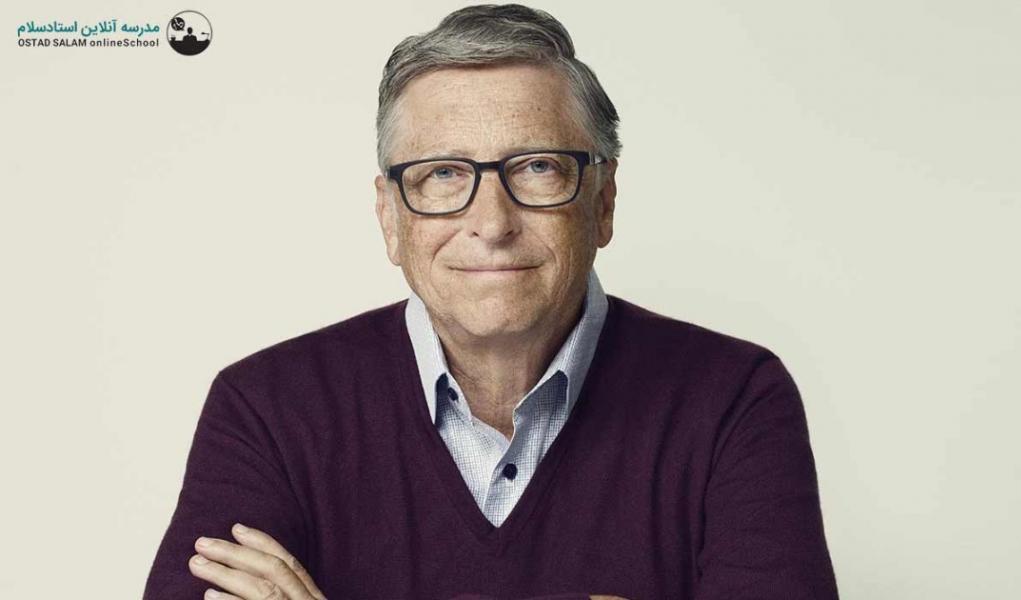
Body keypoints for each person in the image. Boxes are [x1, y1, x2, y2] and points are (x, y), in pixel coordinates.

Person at [143, 4, 839, 599]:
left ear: (603, 202)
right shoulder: (267, 408)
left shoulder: (734, 399)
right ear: (390, 217)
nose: (492, 222)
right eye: (444, 174)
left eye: (537, 167)